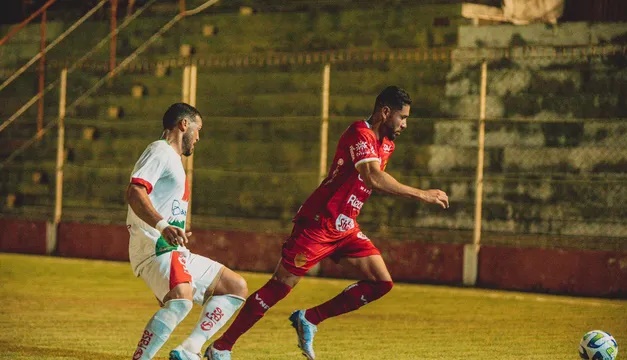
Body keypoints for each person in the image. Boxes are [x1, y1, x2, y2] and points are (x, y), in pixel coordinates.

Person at [206, 86, 449, 360]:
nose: (404, 124)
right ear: (385, 112)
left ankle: (309, 318)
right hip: (318, 224)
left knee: (381, 282)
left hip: (345, 226)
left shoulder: (387, 144)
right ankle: (221, 347)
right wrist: (422, 194)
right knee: (278, 287)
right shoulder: (359, 133)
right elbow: (373, 177)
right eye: (402, 117)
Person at [126, 102, 248, 360]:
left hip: (173, 247)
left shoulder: (173, 160)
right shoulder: (160, 151)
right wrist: (162, 225)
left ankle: (189, 349)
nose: (199, 137)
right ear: (184, 125)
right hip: (155, 246)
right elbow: (135, 191)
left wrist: (174, 227)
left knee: (235, 287)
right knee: (182, 299)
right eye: (198, 129)